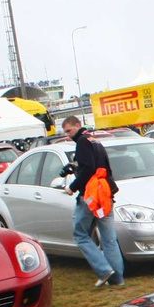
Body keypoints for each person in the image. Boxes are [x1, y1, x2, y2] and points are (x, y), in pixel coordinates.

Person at [62, 116, 124, 287]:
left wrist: (72, 187)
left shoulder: (82, 142)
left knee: (80, 234)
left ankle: (104, 270)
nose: (68, 135)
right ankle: (117, 279)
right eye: (66, 132)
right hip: (105, 193)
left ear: (78, 126)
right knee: (109, 238)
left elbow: (88, 168)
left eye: (70, 131)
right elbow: (106, 167)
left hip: (91, 195)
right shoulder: (95, 141)